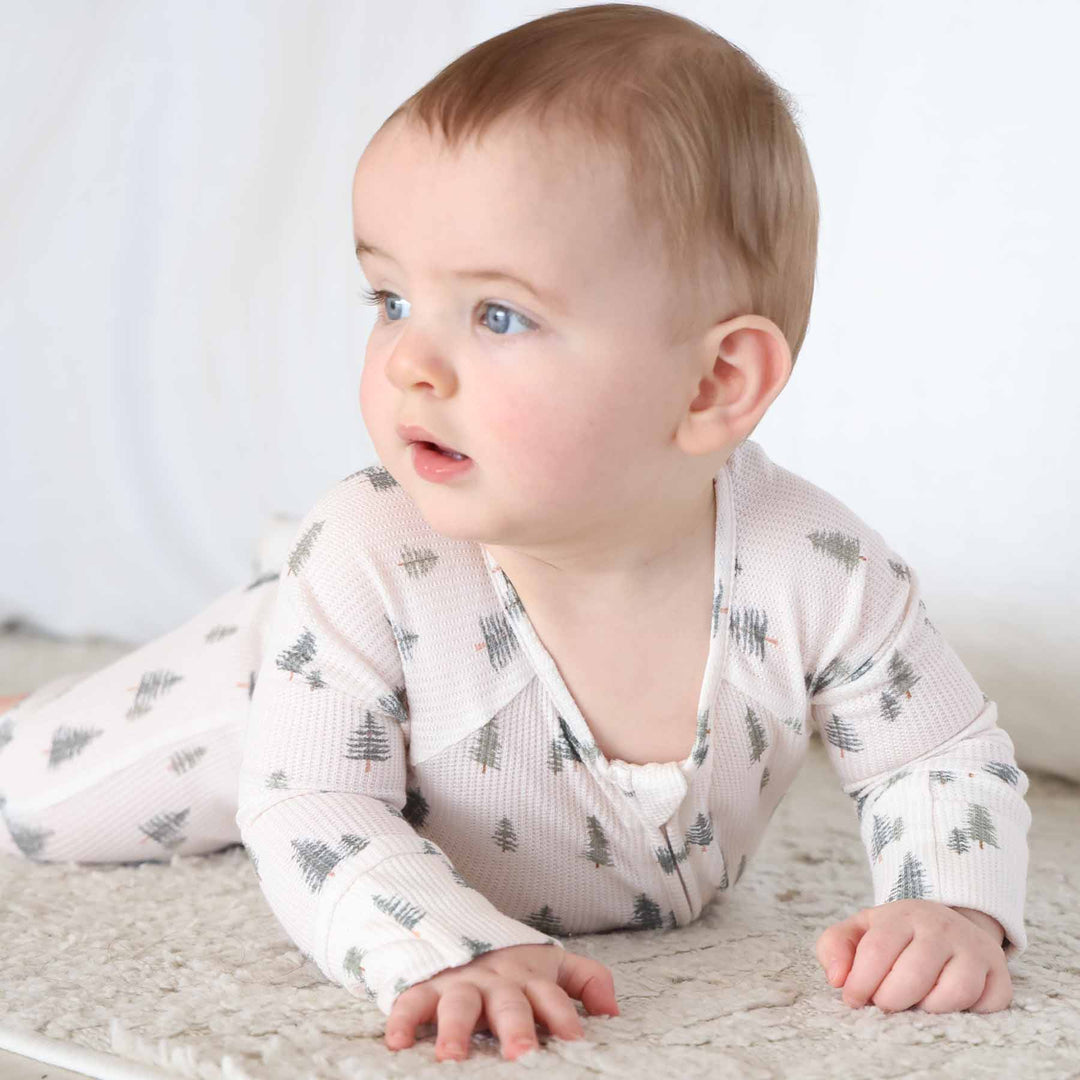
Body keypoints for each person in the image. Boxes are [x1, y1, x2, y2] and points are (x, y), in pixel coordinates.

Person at [0, 3, 1031, 1064]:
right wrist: (439, 946)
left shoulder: (816, 567)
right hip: (281, 692)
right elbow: (311, 798)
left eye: (496, 315)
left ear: (716, 381)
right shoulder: (373, 548)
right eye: (391, 297)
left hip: (385, 681)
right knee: (33, 795)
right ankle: (68, 703)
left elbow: (936, 753)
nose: (411, 362)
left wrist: (952, 906)